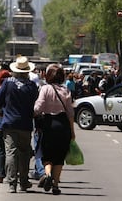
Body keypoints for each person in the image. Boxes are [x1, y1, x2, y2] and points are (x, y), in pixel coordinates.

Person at [0, 56, 39, 193]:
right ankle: (24, 182)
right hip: (25, 124)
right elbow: (35, 103)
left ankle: (12, 183)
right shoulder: (31, 86)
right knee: (25, 153)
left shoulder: (7, 83)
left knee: (11, 152)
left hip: (9, 123)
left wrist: (3, 110)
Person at [34, 64, 76, 195]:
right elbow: (70, 113)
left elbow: (38, 108)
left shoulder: (45, 89)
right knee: (59, 156)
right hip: (63, 125)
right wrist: (72, 131)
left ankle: (47, 175)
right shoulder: (66, 91)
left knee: (47, 154)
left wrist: (32, 113)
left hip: (48, 124)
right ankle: (56, 185)